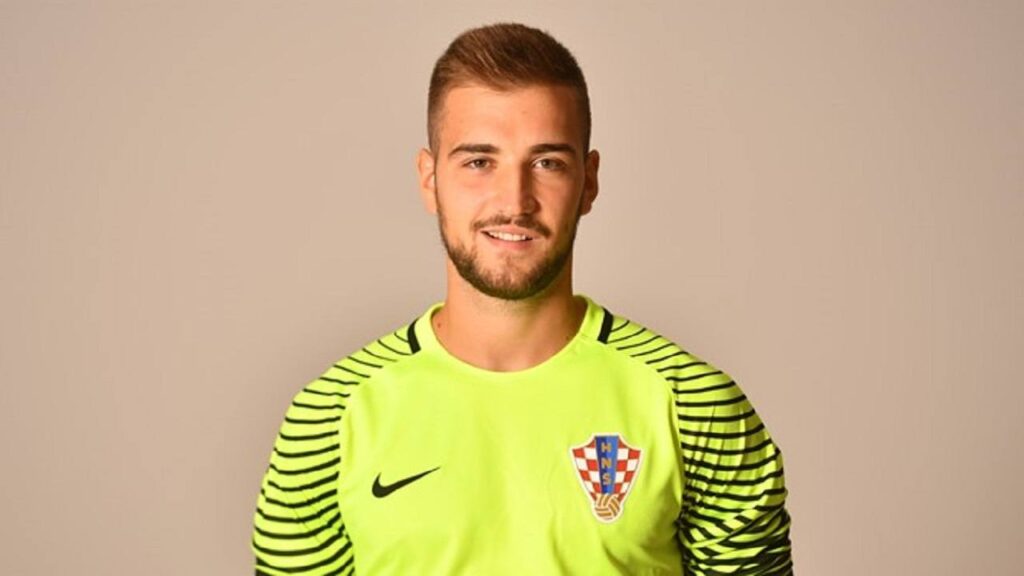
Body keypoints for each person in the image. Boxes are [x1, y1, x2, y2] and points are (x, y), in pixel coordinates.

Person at [252, 22, 793, 575]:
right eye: (479, 162)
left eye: (547, 163)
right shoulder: (328, 419)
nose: (514, 201)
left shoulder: (694, 405)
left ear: (588, 182)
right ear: (429, 178)